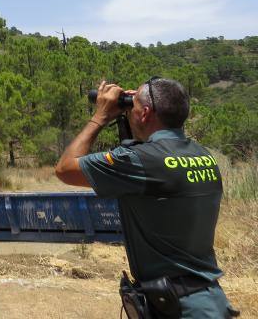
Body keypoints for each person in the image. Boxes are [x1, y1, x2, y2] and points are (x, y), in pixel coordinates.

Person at [55, 78, 238, 319]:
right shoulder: (203, 155)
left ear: (146, 113)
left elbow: (65, 168)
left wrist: (100, 116)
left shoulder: (140, 161)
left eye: (135, 105)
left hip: (180, 308)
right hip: (206, 300)